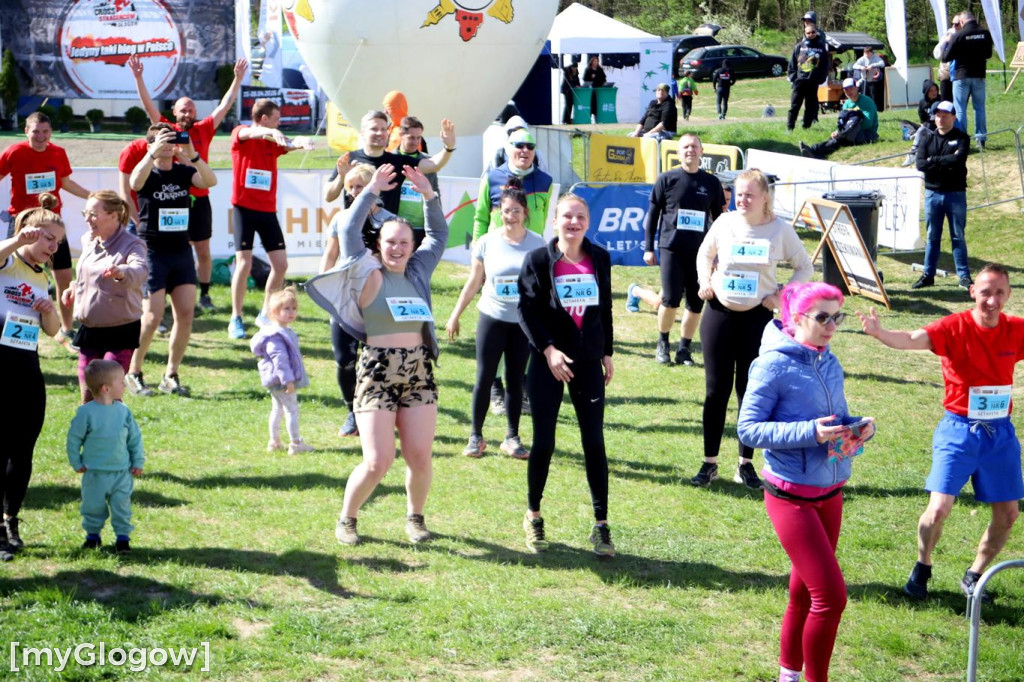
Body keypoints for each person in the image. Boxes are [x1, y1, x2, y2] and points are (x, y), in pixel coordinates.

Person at [857, 264, 1024, 604]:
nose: (991, 300)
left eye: (999, 293)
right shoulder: (954, 326)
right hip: (959, 429)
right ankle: (923, 566)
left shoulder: (1015, 329)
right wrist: (880, 333)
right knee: (939, 508)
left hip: (1000, 434)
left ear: (1008, 295)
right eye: (985, 292)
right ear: (972, 292)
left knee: (1008, 515)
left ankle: (975, 575)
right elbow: (912, 339)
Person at [739, 282, 875, 682]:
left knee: (804, 595)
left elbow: (836, 420)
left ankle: (788, 675)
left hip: (831, 493)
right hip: (790, 497)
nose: (832, 326)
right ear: (797, 320)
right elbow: (748, 430)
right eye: (823, 317)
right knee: (831, 598)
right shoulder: (771, 365)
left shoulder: (829, 361)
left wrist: (858, 429)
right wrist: (810, 433)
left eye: (838, 317)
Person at [305, 164, 448, 546]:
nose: (397, 248)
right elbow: (349, 229)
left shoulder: (418, 270)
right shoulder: (367, 270)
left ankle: (415, 518)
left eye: (404, 242)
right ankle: (347, 519)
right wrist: (370, 190)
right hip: (378, 373)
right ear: (379, 245)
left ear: (412, 246)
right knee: (378, 460)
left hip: (419, 372)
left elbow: (440, 233)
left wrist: (429, 196)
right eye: (390, 242)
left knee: (420, 457)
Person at [692, 169, 814, 490]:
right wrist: (705, 281)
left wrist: (781, 296)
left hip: (756, 322)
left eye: (749, 194)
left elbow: (805, 266)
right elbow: (705, 254)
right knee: (715, 392)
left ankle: (745, 465)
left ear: (764, 198)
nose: (742, 200)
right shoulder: (724, 223)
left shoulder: (778, 230)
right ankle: (709, 464)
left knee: (750, 393)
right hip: (718, 314)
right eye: (738, 193)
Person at [518, 193, 616, 557]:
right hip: (548, 364)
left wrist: (607, 351)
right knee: (544, 442)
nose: (573, 223)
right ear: (555, 220)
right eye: (566, 217)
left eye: (580, 217)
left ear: (587, 222)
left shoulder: (599, 258)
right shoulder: (538, 260)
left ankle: (602, 526)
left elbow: (604, 306)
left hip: (588, 361)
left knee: (594, 442)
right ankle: (534, 515)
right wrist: (548, 350)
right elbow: (527, 311)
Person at [128, 54, 248, 311]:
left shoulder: (204, 128)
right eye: (183, 109)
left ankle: (204, 295)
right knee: (166, 249)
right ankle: (157, 296)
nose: (188, 112)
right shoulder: (166, 130)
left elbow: (225, 106)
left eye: (192, 109)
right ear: (174, 112)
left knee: (203, 250)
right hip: (168, 198)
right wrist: (138, 78)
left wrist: (237, 80)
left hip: (198, 197)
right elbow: (149, 106)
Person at [446, 179, 543, 460]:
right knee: (484, 377)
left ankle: (512, 437)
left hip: (521, 323)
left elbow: (544, 287)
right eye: (505, 210)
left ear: (525, 212)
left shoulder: (537, 244)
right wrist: (455, 315)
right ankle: (475, 436)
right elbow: (474, 281)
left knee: (515, 380)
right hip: (492, 317)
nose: (509, 215)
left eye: (515, 211)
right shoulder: (486, 242)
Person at [126, 124, 217, 397]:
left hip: (180, 252)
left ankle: (171, 374)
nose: (168, 144)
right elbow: (134, 183)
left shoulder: (184, 172)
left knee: (186, 315)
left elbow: (210, 181)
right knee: (152, 317)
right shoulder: (147, 172)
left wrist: (194, 155)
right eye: (161, 140)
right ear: (151, 144)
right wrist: (151, 154)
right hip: (153, 252)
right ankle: (134, 371)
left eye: (171, 139)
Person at [0, 194, 65, 558]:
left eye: (57, 242)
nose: (53, 247)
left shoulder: (42, 278)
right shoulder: (7, 259)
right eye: (48, 239)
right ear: (30, 233)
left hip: (26, 370)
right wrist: (18, 240)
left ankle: (12, 519)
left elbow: (54, 330)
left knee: (22, 451)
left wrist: (48, 309)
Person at [473, 127, 553, 414]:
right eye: (519, 145)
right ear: (508, 148)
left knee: (528, 326)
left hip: (530, 262)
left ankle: (521, 386)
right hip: (497, 262)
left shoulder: (546, 180)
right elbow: (481, 218)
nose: (525, 151)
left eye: (529, 146)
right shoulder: (492, 178)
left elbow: (542, 221)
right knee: (495, 324)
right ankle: (496, 389)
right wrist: (478, 261)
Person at [320, 164, 398, 438]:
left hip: (377, 298)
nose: (355, 192)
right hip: (344, 297)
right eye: (351, 186)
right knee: (344, 360)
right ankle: (351, 413)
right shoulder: (341, 218)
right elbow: (330, 255)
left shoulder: (390, 220)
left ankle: (378, 412)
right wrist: (324, 288)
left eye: (361, 186)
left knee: (379, 359)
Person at [0, 111, 90, 344]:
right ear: (26, 131)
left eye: (45, 132)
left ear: (51, 132)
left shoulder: (58, 153)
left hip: (52, 226)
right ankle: (11, 326)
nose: (41, 136)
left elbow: (65, 182)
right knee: (13, 276)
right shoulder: (14, 152)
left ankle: (67, 329)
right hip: (22, 226)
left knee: (63, 276)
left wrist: (91, 196)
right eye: (36, 131)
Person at [227, 99, 313, 339]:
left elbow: (289, 143)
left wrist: (301, 142)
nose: (279, 123)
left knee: (281, 265)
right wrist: (271, 131)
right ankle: (236, 317)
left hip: (267, 211)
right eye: (276, 119)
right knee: (243, 264)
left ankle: (265, 314)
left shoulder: (273, 142)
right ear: (264, 119)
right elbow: (249, 132)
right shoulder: (241, 134)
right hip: (243, 209)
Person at [641, 134, 725, 366]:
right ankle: (663, 344)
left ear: (701, 151)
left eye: (694, 147)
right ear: (678, 152)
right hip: (671, 248)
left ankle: (684, 349)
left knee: (697, 302)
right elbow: (653, 216)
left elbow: (719, 220)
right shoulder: (667, 179)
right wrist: (649, 248)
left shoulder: (711, 183)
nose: (690, 150)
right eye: (685, 147)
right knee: (669, 299)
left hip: (701, 253)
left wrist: (718, 253)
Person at [61, 191, 148, 403]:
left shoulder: (133, 244)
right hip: (90, 330)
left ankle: (117, 434)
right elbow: (87, 274)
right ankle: (89, 435)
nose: (87, 219)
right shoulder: (88, 240)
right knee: (88, 397)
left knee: (108, 395)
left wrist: (122, 272)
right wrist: (74, 286)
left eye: (93, 214)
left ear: (113, 215)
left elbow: (140, 270)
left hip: (121, 331)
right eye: (86, 213)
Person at [67, 359, 145, 554]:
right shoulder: (86, 413)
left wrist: (138, 461)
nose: (124, 385)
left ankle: (123, 539)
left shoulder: (124, 412)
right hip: (94, 473)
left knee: (122, 507)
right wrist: (76, 461)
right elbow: (74, 439)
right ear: (105, 389)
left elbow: (135, 439)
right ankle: (93, 536)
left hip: (121, 472)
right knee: (92, 507)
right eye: (120, 381)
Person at [325, 110, 455, 217]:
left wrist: (448, 147)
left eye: (383, 129)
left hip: (387, 237)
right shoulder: (349, 159)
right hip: (356, 232)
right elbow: (329, 197)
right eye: (374, 129)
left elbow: (434, 165)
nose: (380, 133)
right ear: (363, 133)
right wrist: (341, 177)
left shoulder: (397, 161)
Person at [911, 101, 972, 291]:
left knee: (957, 236)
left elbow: (958, 159)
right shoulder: (926, 139)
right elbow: (920, 164)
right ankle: (928, 275)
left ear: (954, 117)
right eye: (938, 115)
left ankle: (964, 277)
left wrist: (933, 160)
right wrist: (944, 161)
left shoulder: (962, 138)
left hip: (955, 194)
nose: (941, 118)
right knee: (932, 236)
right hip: (933, 194)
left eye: (945, 115)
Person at [250, 286, 314, 455]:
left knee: (277, 409)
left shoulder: (284, 331)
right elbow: (280, 362)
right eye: (286, 309)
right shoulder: (276, 336)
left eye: (294, 308)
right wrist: (288, 382)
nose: (291, 312)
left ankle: (274, 441)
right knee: (291, 410)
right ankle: (296, 443)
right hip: (283, 381)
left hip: (277, 380)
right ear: (274, 312)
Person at [941, 10, 993, 147]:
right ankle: (981, 139)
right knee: (980, 108)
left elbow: (946, 57)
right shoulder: (985, 33)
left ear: (963, 21)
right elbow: (988, 54)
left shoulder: (959, 35)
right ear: (973, 19)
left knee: (960, 109)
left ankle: (962, 139)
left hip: (961, 76)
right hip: (979, 75)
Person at [798, 78, 878, 160]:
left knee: (839, 139)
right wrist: (838, 131)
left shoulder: (866, 102)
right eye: (846, 89)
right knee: (836, 138)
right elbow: (842, 122)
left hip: (867, 134)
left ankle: (813, 151)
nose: (849, 91)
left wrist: (846, 131)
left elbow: (868, 123)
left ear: (856, 88)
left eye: (851, 88)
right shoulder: (846, 104)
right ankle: (815, 153)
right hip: (850, 133)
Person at [392, 116, 442, 241]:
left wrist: (437, 219)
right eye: (411, 137)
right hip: (395, 226)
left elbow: (435, 190)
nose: (415, 142)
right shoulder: (389, 159)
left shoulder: (427, 161)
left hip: (422, 228)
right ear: (401, 135)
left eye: (419, 137)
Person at [787, 20, 830, 131]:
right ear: (805, 34)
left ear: (816, 33)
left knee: (810, 107)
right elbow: (792, 64)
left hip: (813, 82)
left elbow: (825, 65)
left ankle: (806, 127)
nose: (811, 35)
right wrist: (793, 78)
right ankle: (789, 127)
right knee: (794, 106)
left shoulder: (821, 48)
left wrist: (820, 79)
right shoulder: (798, 46)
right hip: (800, 82)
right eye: (808, 33)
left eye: (813, 32)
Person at [901, 81, 942, 167]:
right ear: (926, 92)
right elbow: (922, 120)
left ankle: (913, 152)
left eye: (935, 90)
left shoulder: (941, 101)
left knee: (924, 128)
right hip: (925, 126)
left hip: (936, 129)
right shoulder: (922, 102)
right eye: (931, 91)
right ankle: (913, 134)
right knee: (904, 122)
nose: (934, 92)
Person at [582, 55, 607, 122]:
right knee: (591, 104)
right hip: (591, 90)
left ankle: (597, 119)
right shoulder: (588, 70)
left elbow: (604, 78)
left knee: (598, 105)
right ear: (592, 62)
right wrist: (591, 77)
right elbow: (585, 79)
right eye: (594, 61)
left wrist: (604, 83)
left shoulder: (600, 69)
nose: (595, 62)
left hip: (599, 90)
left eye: (597, 61)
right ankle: (589, 118)